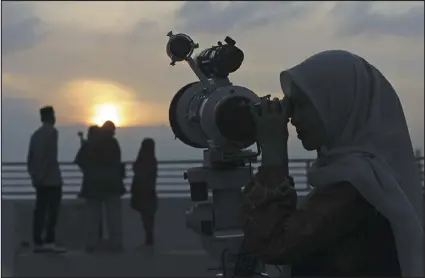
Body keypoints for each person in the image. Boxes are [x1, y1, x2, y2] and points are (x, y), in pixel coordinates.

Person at [242, 50, 423, 277]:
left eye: (302, 104)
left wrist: (274, 159)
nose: (293, 118)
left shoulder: (357, 184)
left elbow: (273, 244)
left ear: (338, 103)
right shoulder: (373, 177)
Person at [27, 106, 66, 253]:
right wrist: (44, 175)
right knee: (52, 211)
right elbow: (50, 156)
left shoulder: (35, 135)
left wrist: (35, 176)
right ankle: (49, 240)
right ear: (51, 116)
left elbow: (30, 158)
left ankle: (37, 240)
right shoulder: (52, 133)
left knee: (40, 210)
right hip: (51, 180)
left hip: (39, 180)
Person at [130, 138, 158, 246]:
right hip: (150, 192)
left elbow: (138, 172)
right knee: (149, 216)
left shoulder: (142, 159)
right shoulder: (152, 160)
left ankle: (148, 239)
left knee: (146, 217)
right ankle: (149, 239)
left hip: (142, 192)